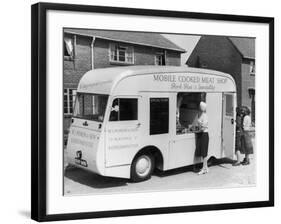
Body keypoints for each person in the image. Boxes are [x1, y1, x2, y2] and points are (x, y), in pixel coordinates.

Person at [195, 101, 209, 175]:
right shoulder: (201, 114)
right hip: (202, 134)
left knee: (204, 152)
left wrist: (198, 130)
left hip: (204, 134)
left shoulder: (205, 115)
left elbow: (203, 127)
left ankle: (204, 169)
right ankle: (205, 167)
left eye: (200, 106)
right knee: (202, 151)